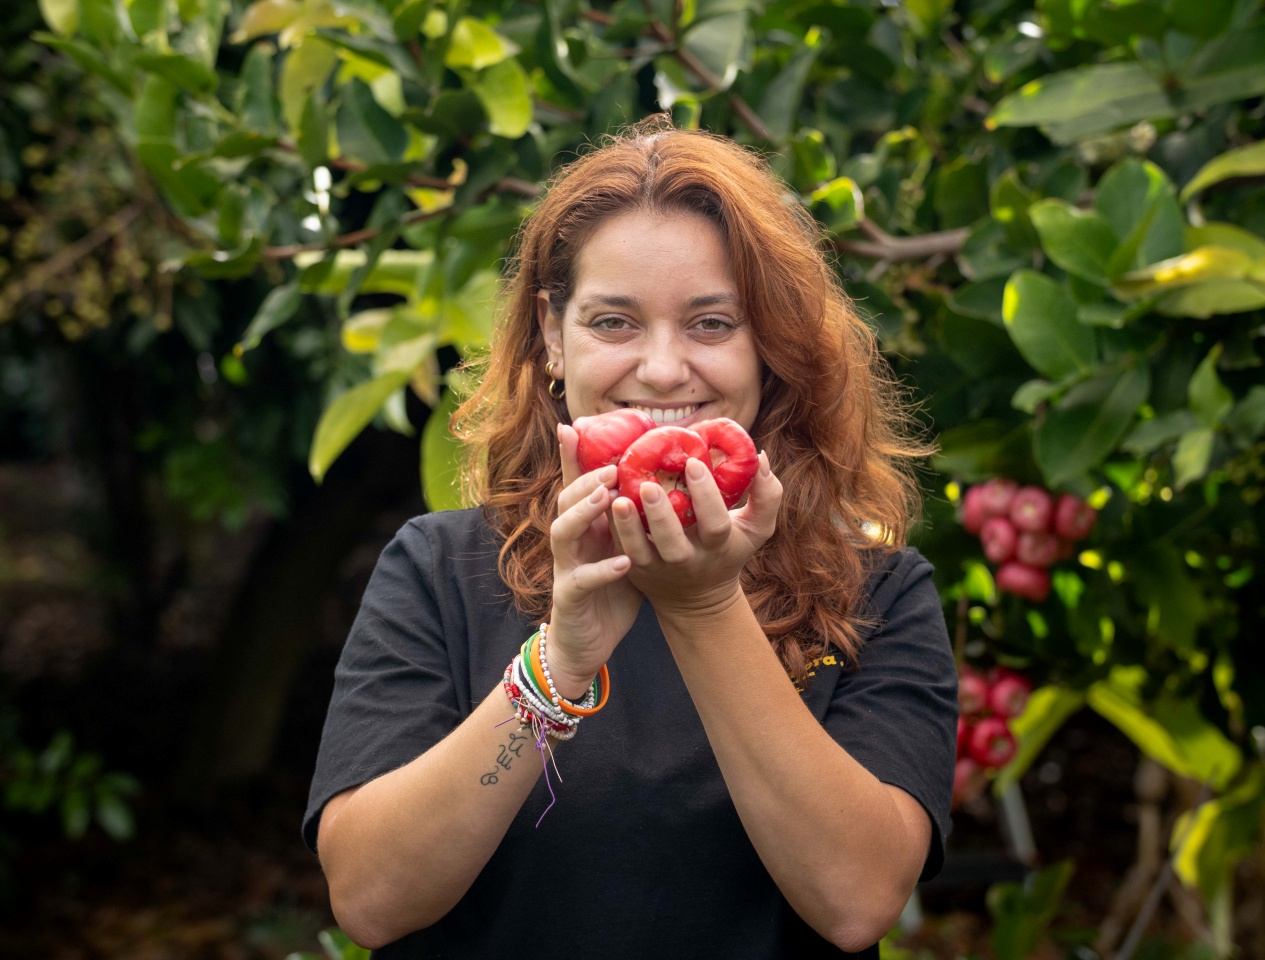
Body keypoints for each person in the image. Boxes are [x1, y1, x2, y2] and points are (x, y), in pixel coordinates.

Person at [303, 118, 958, 958]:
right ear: (551, 333)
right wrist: (559, 664)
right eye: (614, 322)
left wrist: (706, 603)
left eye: (712, 325)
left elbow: (856, 899)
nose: (660, 369)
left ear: (772, 346)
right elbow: (371, 897)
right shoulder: (440, 569)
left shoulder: (880, 591)